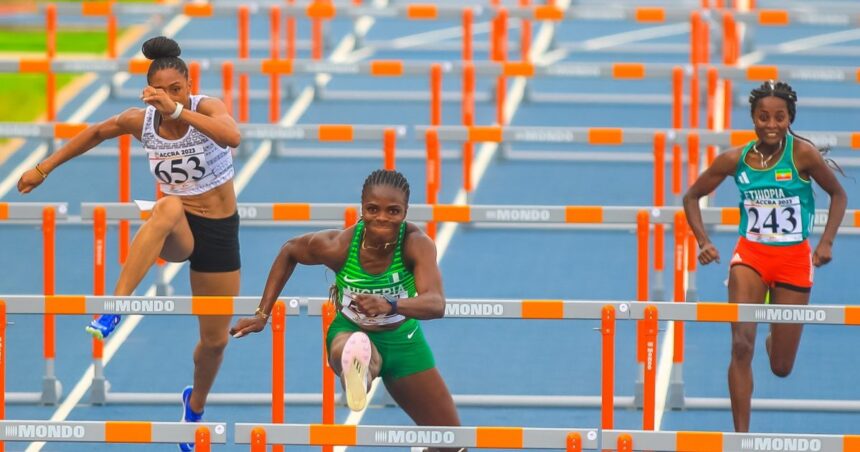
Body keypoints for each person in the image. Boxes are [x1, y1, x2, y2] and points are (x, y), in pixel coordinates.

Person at [17, 36, 241, 451]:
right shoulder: (141, 122)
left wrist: (180, 111)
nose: (171, 97)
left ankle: (195, 407)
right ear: (150, 91)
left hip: (220, 232)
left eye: (179, 88)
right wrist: (42, 168)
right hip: (178, 228)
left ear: (190, 85)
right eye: (163, 91)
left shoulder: (206, 108)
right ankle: (116, 306)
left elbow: (232, 136)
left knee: (215, 341)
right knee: (167, 206)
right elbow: (96, 132)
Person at [231, 169, 464, 452]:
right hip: (351, 330)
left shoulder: (416, 245)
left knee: (452, 443)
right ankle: (358, 373)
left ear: (405, 213)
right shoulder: (340, 246)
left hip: (404, 341)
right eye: (373, 209)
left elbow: (436, 303)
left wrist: (390, 305)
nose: (382, 218)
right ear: (362, 209)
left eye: (393, 211)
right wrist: (261, 314)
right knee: (355, 346)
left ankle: (362, 370)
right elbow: (290, 251)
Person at [683, 80, 847, 432]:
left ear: (790, 118)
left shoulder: (803, 154)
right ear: (753, 119)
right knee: (741, 346)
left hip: (793, 260)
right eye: (763, 117)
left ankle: (777, 339)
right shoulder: (734, 159)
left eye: (779, 117)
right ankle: (742, 436)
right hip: (751, 258)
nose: (770, 125)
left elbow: (839, 195)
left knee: (781, 367)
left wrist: (826, 242)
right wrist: (703, 241)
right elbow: (691, 197)